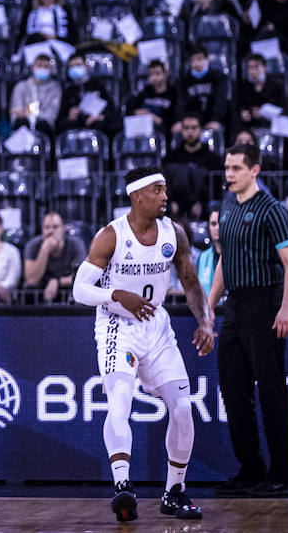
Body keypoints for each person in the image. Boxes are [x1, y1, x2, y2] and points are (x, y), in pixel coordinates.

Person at [71, 167, 215, 522]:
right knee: (120, 399)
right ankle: (123, 486)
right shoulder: (111, 236)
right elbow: (79, 290)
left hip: (157, 327)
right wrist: (116, 294)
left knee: (182, 408)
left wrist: (206, 322)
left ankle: (174, 492)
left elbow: (191, 281)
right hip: (118, 327)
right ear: (137, 196)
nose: (165, 196)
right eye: (157, 190)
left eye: (165, 189)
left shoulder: (174, 233)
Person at [208, 143, 288, 497]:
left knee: (272, 393)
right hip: (235, 307)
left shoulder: (271, 209)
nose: (228, 174)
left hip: (265, 305)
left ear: (254, 170)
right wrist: (209, 308)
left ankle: (280, 474)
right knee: (233, 393)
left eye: (235, 168)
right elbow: (223, 262)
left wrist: (287, 307)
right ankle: (250, 469)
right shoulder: (228, 207)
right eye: (227, 168)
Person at [164, 113, 222, 221]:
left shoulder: (213, 158)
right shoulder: (172, 157)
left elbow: (216, 186)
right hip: (176, 204)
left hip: (204, 204)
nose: (190, 132)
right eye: (186, 128)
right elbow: (166, 182)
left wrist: (201, 203)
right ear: (182, 130)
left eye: (194, 128)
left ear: (201, 130)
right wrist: (172, 201)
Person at [22, 211, 83, 302]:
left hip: (66, 291)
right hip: (40, 292)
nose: (51, 231)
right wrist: (45, 249)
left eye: (55, 227)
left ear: (63, 229)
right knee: (29, 291)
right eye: (47, 227)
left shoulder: (75, 244)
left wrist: (57, 281)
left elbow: (81, 278)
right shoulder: (33, 245)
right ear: (42, 230)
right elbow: (31, 280)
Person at [176, 46, 229, 135]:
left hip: (212, 118)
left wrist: (216, 119)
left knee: (216, 129)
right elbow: (181, 103)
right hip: (190, 121)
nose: (196, 64)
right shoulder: (184, 80)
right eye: (193, 60)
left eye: (199, 59)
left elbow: (220, 101)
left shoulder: (218, 77)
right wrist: (180, 120)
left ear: (207, 59)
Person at [9, 53, 62, 135]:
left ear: (50, 69)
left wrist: (30, 112)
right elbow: (16, 113)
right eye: (39, 65)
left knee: (43, 124)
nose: (42, 69)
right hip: (23, 124)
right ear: (32, 67)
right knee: (21, 122)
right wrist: (26, 114)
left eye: (46, 67)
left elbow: (52, 114)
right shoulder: (21, 86)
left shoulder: (55, 88)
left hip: (44, 125)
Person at [59, 55, 113, 134]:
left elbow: (111, 109)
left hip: (96, 123)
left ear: (86, 66)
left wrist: (100, 116)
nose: (75, 68)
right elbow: (60, 118)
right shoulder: (67, 90)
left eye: (78, 65)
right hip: (75, 126)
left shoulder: (98, 85)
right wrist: (69, 117)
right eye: (71, 66)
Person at [236, 54, 288, 129]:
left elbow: (285, 111)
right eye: (250, 68)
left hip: (271, 126)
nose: (253, 71)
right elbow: (239, 106)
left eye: (256, 67)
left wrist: (264, 113)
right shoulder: (243, 87)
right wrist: (243, 112)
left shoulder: (277, 87)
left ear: (265, 68)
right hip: (249, 126)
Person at [126, 59, 178, 135]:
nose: (154, 78)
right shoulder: (144, 92)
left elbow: (174, 119)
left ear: (165, 74)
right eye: (151, 74)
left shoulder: (173, 94)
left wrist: (156, 119)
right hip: (140, 125)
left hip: (160, 128)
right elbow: (129, 109)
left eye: (157, 74)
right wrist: (136, 112)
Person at [198, 205, 222, 300]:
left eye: (220, 223)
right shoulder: (203, 257)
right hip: (208, 310)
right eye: (213, 224)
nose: (217, 228)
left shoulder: (237, 254)